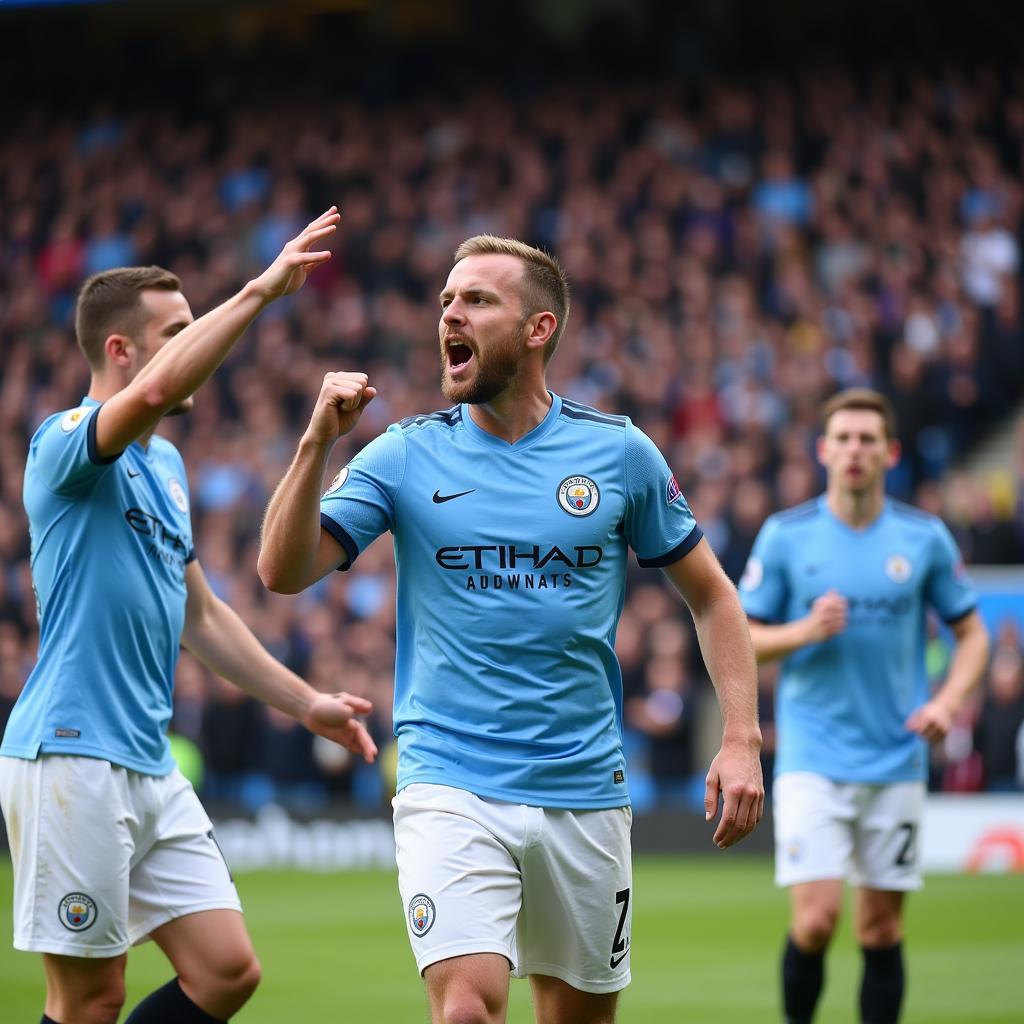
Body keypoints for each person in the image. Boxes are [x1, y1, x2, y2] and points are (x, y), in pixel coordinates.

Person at [258, 235, 764, 1024]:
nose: (450, 315)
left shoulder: (618, 452)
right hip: (449, 778)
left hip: (585, 788)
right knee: (466, 1009)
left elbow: (714, 597)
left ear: (539, 329)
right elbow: (282, 572)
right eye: (445, 302)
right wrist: (316, 442)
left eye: (476, 300)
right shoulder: (402, 454)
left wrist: (740, 738)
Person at [0, 208, 378, 1024]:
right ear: (120, 351)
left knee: (227, 971)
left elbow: (200, 616)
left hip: (144, 761)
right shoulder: (62, 444)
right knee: (90, 999)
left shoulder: (165, 463)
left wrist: (303, 700)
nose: (195, 342)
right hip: (71, 755)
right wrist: (260, 290)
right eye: (179, 328)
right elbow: (164, 387)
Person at [738, 388, 990, 1024]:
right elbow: (741, 638)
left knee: (879, 928)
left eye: (867, 440)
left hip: (896, 757)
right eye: (843, 439)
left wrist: (950, 701)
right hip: (812, 759)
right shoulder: (787, 536)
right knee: (818, 920)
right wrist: (802, 631)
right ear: (824, 451)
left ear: (889, 453)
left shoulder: (923, 539)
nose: (854, 450)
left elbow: (972, 634)